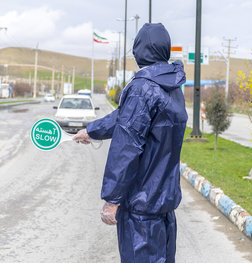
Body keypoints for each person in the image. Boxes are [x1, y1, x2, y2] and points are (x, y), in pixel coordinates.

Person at [73, 23, 187, 263]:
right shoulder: (172, 87)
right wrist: (92, 131)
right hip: (164, 204)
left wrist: (112, 199)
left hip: (141, 211)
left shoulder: (141, 89)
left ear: (139, 50)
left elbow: (126, 148)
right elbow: (126, 117)